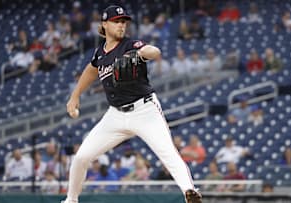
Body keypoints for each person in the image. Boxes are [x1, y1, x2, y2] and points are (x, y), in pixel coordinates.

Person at [63, 5, 201, 203]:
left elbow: (153, 51)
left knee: (167, 153)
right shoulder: (100, 53)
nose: (121, 25)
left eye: (123, 21)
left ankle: (190, 192)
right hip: (115, 115)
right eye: (116, 21)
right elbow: (91, 70)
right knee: (81, 157)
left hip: (144, 111)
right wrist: (75, 96)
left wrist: (141, 54)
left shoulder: (130, 44)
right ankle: (71, 200)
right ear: (104, 25)